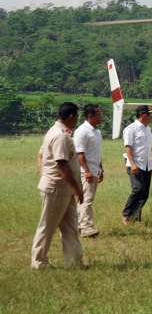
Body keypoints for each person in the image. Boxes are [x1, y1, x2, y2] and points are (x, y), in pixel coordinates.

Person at [31, 102, 84, 270]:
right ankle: (39, 263)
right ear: (71, 117)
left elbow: (41, 156)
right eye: (76, 117)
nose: (77, 121)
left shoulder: (56, 132)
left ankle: (75, 263)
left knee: (71, 228)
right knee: (47, 227)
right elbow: (62, 164)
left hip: (64, 189)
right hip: (57, 188)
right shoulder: (60, 135)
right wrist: (77, 187)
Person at [122, 105, 152, 225]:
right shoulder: (131, 129)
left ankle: (134, 218)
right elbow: (128, 147)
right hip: (136, 164)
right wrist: (133, 164)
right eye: (148, 114)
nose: (150, 117)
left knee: (144, 193)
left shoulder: (147, 129)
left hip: (147, 164)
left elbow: (150, 148)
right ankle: (126, 214)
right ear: (141, 114)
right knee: (138, 189)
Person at [73, 104, 103, 238]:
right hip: (86, 170)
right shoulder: (82, 131)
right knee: (86, 198)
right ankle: (86, 227)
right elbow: (79, 152)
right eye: (98, 114)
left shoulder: (97, 131)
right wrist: (86, 171)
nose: (100, 117)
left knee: (87, 198)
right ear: (90, 116)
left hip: (94, 168)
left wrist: (100, 168)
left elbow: (97, 152)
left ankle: (80, 225)